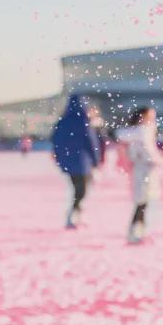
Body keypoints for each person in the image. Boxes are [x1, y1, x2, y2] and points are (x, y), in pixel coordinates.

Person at [116, 106, 163, 244]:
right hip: (143, 170)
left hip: (144, 169)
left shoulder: (141, 131)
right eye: (150, 116)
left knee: (144, 202)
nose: (152, 120)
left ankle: (140, 231)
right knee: (141, 202)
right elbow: (149, 152)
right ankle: (134, 232)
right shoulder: (141, 131)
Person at [51, 95, 101, 229]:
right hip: (82, 162)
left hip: (68, 161)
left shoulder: (62, 121)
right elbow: (91, 142)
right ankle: (73, 216)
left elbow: (56, 142)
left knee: (77, 189)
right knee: (81, 191)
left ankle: (75, 216)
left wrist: (60, 158)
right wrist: (96, 161)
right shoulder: (83, 121)